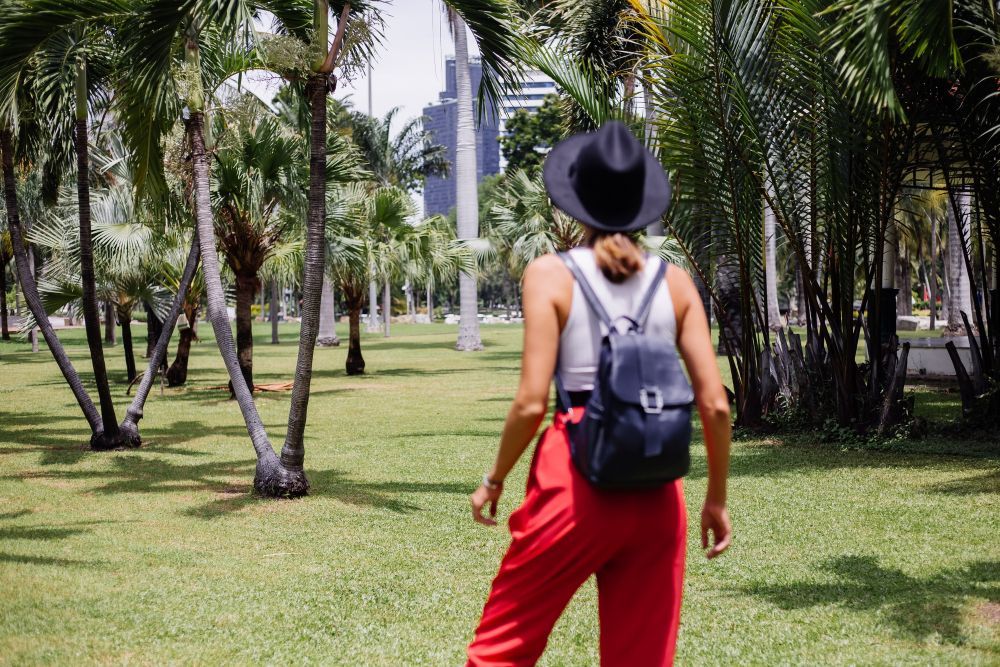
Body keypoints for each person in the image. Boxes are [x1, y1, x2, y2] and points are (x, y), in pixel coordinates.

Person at [466, 121, 733, 666]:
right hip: (658, 490)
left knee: (500, 652)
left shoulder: (550, 275)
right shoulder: (676, 283)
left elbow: (531, 404)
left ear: (576, 202)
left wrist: (495, 480)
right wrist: (717, 499)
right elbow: (716, 405)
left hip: (576, 478)